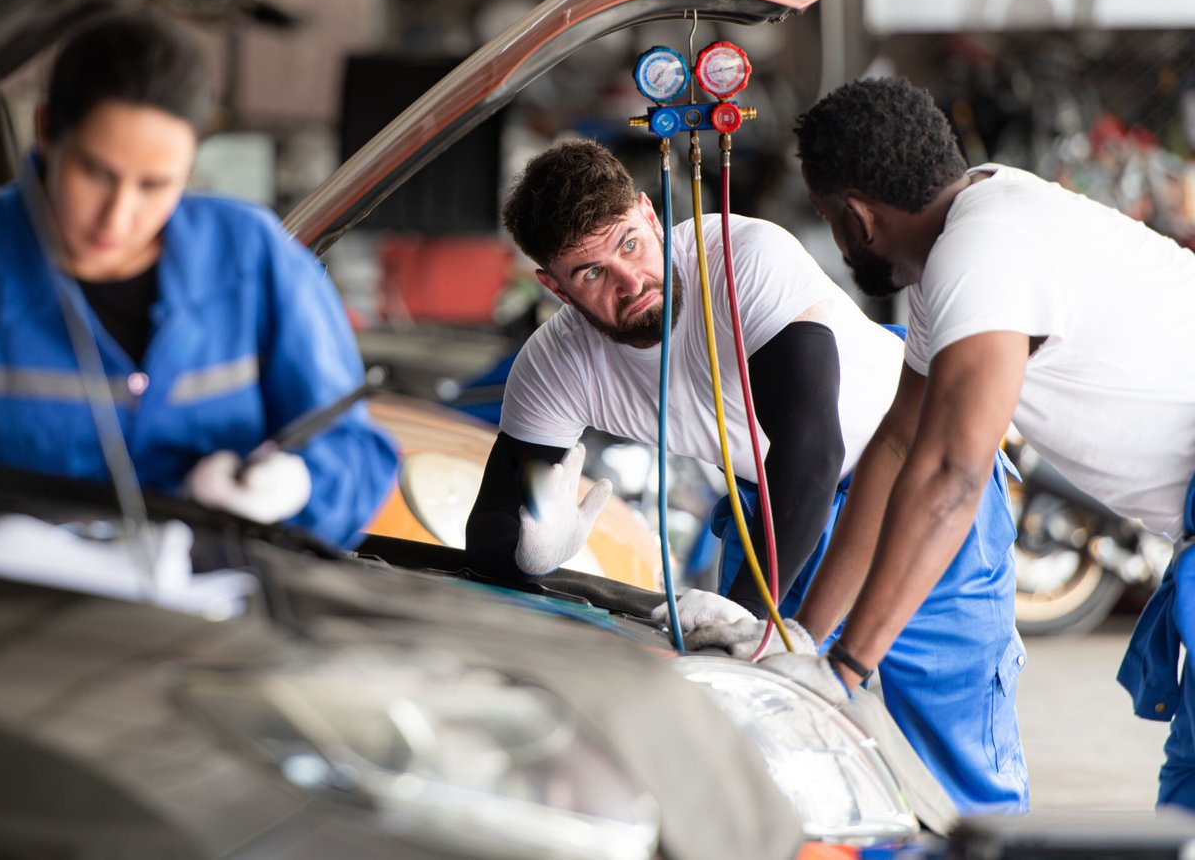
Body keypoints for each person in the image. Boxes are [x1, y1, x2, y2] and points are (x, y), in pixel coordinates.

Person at [463, 138, 1028, 813]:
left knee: (952, 756)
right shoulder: (555, 367)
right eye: (590, 273)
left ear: (650, 212)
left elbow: (811, 445)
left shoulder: (738, 258)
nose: (628, 280)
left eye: (630, 244)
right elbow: (499, 519)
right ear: (552, 285)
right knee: (775, 758)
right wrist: (530, 541)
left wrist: (753, 616)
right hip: (775, 503)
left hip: (915, 480)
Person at [0, 12, 397, 548]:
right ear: (47, 131)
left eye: (156, 185)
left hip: (199, 631)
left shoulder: (251, 259)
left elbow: (358, 459)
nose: (119, 216)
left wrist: (299, 487)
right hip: (1, 635)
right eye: (96, 173)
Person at [783, 75, 1195, 810]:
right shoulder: (975, 236)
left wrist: (844, 670)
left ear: (854, 217)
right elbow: (898, 447)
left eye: (827, 217)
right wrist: (800, 643)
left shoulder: (983, 249)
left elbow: (950, 474)